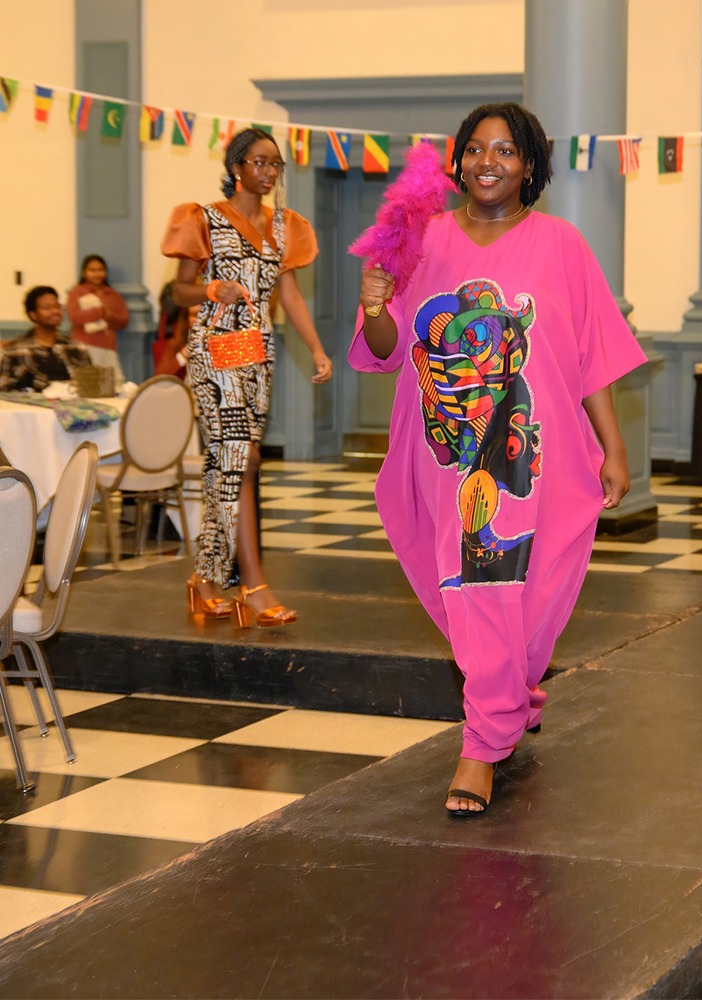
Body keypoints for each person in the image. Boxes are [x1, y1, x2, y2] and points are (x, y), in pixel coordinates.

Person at [352, 103, 647, 815]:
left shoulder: (563, 245)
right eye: (476, 149)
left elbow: (590, 358)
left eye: (507, 150)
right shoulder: (419, 239)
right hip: (447, 454)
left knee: (537, 588)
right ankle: (482, 746)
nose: (489, 161)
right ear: (457, 162)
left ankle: (513, 692)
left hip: (540, 455)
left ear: (531, 165)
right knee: (479, 585)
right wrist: (374, 308)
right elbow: (389, 353)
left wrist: (614, 447)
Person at [162, 127, 333, 626]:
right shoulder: (205, 219)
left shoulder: (285, 228)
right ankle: (251, 585)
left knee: (229, 463)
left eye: (276, 164)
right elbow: (179, 293)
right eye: (259, 162)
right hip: (215, 347)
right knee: (244, 456)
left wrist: (318, 350)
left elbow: (292, 297)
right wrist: (212, 288)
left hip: (258, 354)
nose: (269, 172)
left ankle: (204, 579)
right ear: (237, 166)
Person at [0, 286, 91, 392]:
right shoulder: (14, 351)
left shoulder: (77, 348)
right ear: (33, 315)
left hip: (73, 407)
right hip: (30, 407)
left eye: (57, 307)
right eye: (47, 308)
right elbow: (4, 391)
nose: (55, 311)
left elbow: (90, 387)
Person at [66, 254, 129, 381]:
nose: (97, 274)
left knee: (112, 382)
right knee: (88, 383)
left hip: (108, 346)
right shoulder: (77, 292)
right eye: (92, 270)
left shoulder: (112, 294)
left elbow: (123, 320)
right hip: (84, 345)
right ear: (84, 273)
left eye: (100, 270)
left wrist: (110, 318)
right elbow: (74, 316)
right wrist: (99, 312)